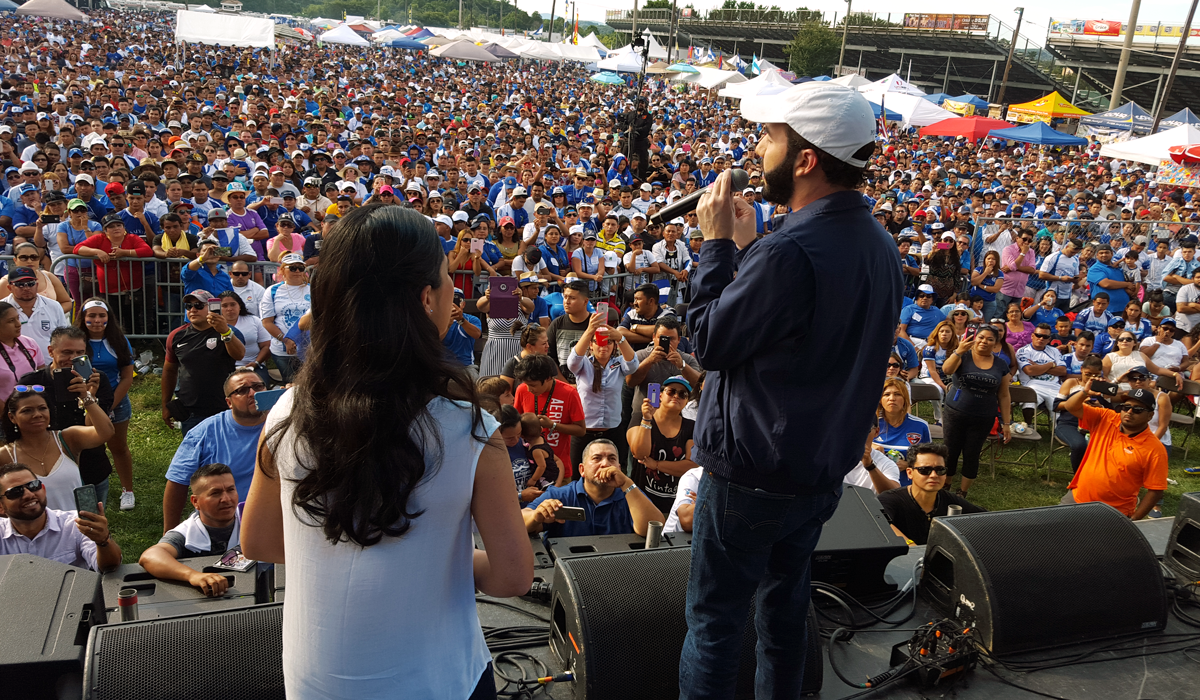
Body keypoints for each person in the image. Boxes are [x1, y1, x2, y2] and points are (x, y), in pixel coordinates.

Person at [241, 205, 533, 699]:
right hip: (438, 683)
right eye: (447, 280)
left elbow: (260, 542)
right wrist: (442, 560)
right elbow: (512, 576)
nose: (452, 293)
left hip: (313, 682)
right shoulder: (470, 428)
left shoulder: (288, 409)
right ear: (425, 298)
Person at [681, 84, 900, 700]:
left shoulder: (787, 251)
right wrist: (754, 254)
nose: (757, 149)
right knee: (784, 612)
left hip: (752, 473)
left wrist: (717, 246)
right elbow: (804, 334)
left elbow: (709, 342)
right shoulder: (880, 245)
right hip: (818, 472)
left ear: (805, 159)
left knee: (715, 625)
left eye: (770, 137)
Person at [20, 326, 114, 507]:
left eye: (80, 353)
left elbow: (94, 431)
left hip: (90, 468)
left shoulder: (96, 380)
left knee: (90, 526)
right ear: (51, 351)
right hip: (46, 472)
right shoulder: (32, 383)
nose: (73, 359)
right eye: (67, 352)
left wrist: (88, 397)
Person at [162, 368, 267, 531]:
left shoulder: (287, 423)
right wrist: (169, 533)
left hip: (278, 521)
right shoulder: (204, 433)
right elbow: (177, 483)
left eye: (258, 387)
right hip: (225, 526)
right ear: (229, 402)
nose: (253, 393)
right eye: (242, 390)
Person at [1058, 384, 1167, 520]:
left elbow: (1156, 490)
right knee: (1056, 536)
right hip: (1077, 496)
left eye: (1137, 410)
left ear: (1150, 416)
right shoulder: (1106, 418)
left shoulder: (1155, 449)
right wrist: (1085, 392)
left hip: (1114, 511)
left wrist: (1135, 518)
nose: (1129, 412)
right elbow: (1070, 407)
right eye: (1126, 407)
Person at [1, 383, 114, 513]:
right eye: (27, 410)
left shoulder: (67, 439)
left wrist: (86, 397)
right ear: (12, 417)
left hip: (78, 529)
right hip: (33, 532)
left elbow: (106, 432)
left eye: (42, 408)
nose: (37, 414)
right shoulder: (5, 456)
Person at [523, 438, 665, 537]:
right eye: (597, 458)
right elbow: (520, 521)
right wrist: (537, 516)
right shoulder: (561, 495)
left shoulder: (630, 494)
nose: (605, 464)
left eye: (612, 459)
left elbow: (653, 529)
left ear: (619, 468)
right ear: (582, 469)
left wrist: (627, 483)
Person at [140, 463, 242, 597]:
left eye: (230, 490)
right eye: (215, 493)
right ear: (195, 502)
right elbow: (150, 556)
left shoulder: (252, 519)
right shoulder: (186, 532)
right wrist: (193, 576)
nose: (226, 499)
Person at [0, 462, 122, 572]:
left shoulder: (75, 524)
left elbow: (109, 566)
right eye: (15, 492)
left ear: (43, 489)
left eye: (33, 485)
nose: (28, 494)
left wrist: (103, 541)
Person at [76, 298, 137, 510]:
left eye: (101, 315)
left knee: (118, 447)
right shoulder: (77, 341)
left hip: (116, 402)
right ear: (83, 318)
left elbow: (127, 377)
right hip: (83, 403)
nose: (96, 320)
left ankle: (127, 491)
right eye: (91, 315)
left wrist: (109, 405)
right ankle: (85, 490)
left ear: (108, 317)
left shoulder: (119, 340)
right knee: (88, 449)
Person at [940, 324, 1012, 498]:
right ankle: (946, 486)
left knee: (972, 453)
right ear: (974, 338)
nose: (984, 342)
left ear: (996, 344)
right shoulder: (963, 356)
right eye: (981, 337)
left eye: (989, 339)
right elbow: (947, 370)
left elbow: (1004, 395)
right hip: (955, 412)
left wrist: (1007, 423)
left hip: (983, 416)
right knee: (950, 451)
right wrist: (958, 351)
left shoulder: (1001, 364)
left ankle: (962, 492)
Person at [162, 289, 246, 436]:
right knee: (196, 454)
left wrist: (225, 332)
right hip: (190, 409)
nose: (193, 310)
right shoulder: (176, 336)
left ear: (212, 308)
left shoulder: (229, 331)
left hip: (223, 407)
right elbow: (169, 371)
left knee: (223, 454)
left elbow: (239, 355)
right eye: (189, 306)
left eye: (199, 305)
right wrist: (165, 404)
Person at [569, 309, 639, 467]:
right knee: (576, 474)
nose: (604, 346)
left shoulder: (619, 364)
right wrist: (589, 331)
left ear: (614, 346)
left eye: (608, 342)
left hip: (613, 431)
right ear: (591, 345)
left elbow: (633, 365)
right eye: (598, 341)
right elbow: (572, 361)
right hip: (583, 432)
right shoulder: (583, 365)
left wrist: (620, 338)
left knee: (616, 474)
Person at [877, 444, 985, 546]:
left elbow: (987, 519)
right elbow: (878, 523)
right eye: (924, 470)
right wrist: (911, 546)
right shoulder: (890, 499)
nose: (933, 475)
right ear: (910, 473)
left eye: (940, 470)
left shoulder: (951, 500)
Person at [627, 375, 698, 513]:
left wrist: (657, 465)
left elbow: (692, 465)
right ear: (660, 395)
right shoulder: (639, 417)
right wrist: (647, 420)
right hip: (642, 499)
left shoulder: (691, 427)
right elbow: (640, 453)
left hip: (675, 503)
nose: (676, 396)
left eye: (682, 394)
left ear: (686, 401)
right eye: (671, 391)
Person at [513, 354, 586, 481]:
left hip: (558, 470)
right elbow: (515, 424)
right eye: (526, 384)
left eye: (533, 385)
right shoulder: (522, 390)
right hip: (527, 470)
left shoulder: (569, 393)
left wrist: (553, 425)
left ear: (548, 379)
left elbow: (581, 430)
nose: (529, 389)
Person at [625, 316, 703, 426]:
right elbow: (630, 382)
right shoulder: (641, 356)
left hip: (677, 421)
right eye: (662, 338)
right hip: (644, 417)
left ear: (679, 340)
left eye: (672, 339)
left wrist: (682, 366)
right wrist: (649, 361)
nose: (667, 343)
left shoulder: (687, 359)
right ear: (653, 337)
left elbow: (700, 385)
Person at [260, 252, 311, 384]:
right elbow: (267, 322)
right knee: (289, 385)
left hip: (309, 347)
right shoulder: (272, 291)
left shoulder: (313, 289)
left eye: (301, 268)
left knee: (310, 385)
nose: (297, 271)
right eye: (293, 268)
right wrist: (286, 340)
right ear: (282, 270)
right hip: (283, 349)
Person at [875, 377, 932, 486]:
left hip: (908, 484)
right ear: (880, 400)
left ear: (905, 399)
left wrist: (909, 465)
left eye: (897, 394)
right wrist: (870, 445)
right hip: (875, 482)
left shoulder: (920, 426)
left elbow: (929, 458)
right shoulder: (871, 424)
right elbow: (855, 451)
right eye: (886, 394)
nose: (892, 398)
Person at [2, 267, 69, 355]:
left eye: (30, 284)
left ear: (37, 285)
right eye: (20, 284)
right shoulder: (2, 308)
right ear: (9, 287)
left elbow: (63, 338)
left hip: (49, 364)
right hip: (13, 365)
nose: (26, 288)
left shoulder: (54, 306)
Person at [1054, 355, 1104, 472]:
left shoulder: (1102, 386)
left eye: (1096, 375)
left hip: (1093, 425)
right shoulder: (1071, 383)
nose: (1092, 377)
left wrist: (1099, 405)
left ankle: (1097, 476)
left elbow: (1109, 409)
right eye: (1088, 374)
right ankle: (1079, 477)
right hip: (1069, 423)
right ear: (1081, 369)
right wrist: (1077, 401)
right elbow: (1056, 406)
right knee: (1079, 445)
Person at [545, 279, 596, 382]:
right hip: (563, 383)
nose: (567, 302)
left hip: (591, 385)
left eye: (572, 298)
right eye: (565, 297)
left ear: (585, 301)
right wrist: (565, 384)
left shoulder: (595, 324)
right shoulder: (557, 324)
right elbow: (549, 357)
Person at [1015, 323, 1066, 422]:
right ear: (1032, 336)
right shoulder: (1023, 351)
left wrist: (1037, 367)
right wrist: (1050, 365)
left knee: (1059, 411)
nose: (1041, 338)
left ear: (1049, 339)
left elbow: (1062, 371)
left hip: (1054, 386)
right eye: (1038, 335)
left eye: (1045, 336)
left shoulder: (1054, 351)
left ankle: (1057, 433)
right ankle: (1029, 426)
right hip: (1032, 385)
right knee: (1029, 404)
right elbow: (1029, 371)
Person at [844, 423, 901, 494]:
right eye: (853, 429)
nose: (858, 434)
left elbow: (894, 494)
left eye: (866, 429)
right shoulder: (831, 456)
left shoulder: (885, 463)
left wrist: (870, 466)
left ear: (876, 432)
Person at [899, 284, 947, 351]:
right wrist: (913, 347)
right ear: (917, 297)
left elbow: (949, 323)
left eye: (928, 296)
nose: (925, 298)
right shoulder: (909, 309)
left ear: (932, 299)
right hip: (912, 341)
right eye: (921, 295)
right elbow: (900, 331)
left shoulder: (936, 311)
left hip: (931, 343)